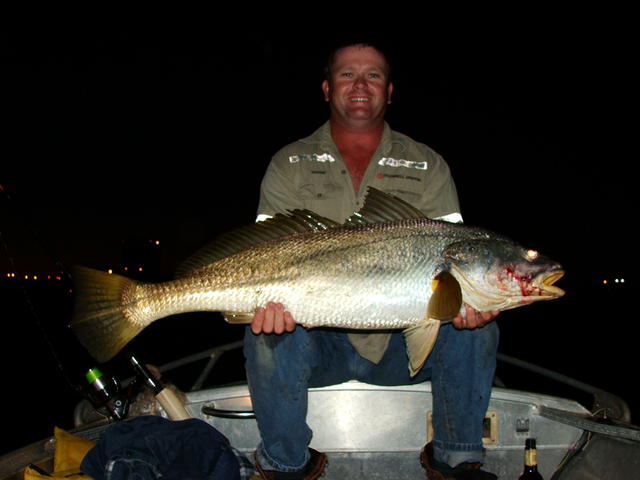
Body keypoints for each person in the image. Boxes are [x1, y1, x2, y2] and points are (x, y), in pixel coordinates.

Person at [244, 40, 500, 480]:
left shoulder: (427, 165)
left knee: (476, 327)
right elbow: (267, 254)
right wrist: (267, 307)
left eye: (374, 75)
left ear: (390, 90)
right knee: (266, 335)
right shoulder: (290, 163)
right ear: (327, 88)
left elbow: (455, 253)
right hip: (318, 344)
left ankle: (455, 462)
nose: (360, 84)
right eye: (348, 74)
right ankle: (287, 465)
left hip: (401, 348)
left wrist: (467, 304)